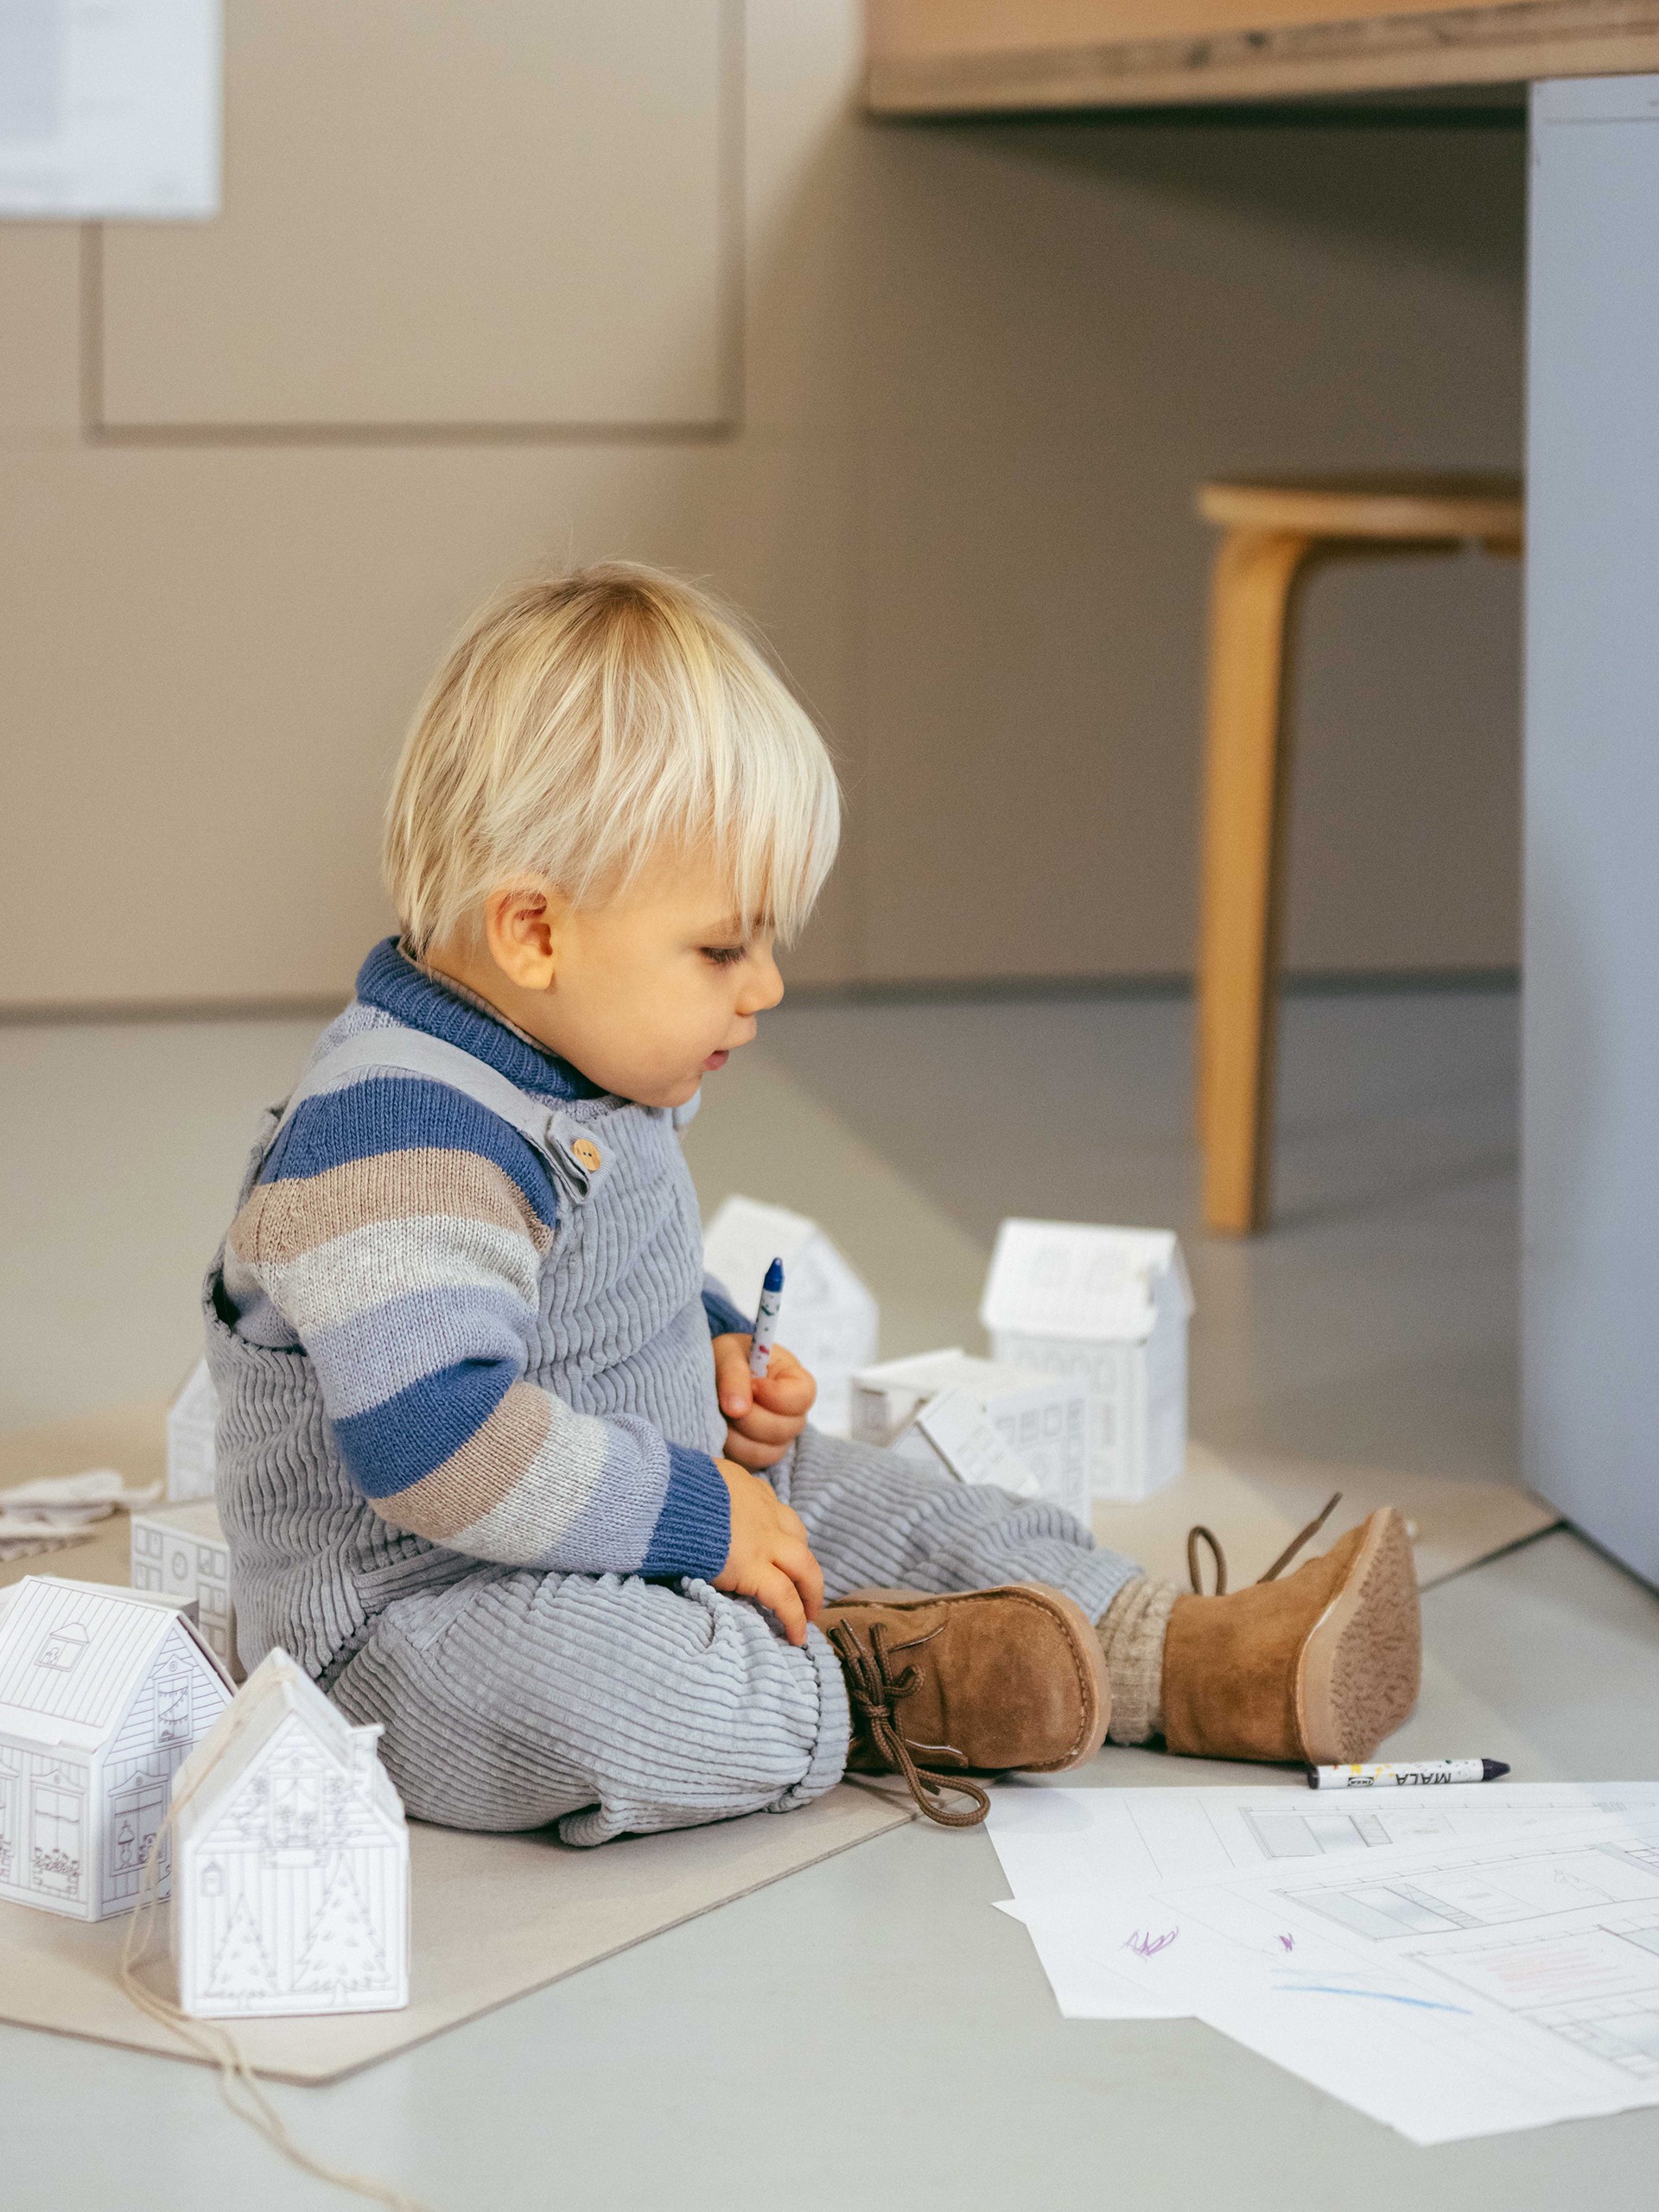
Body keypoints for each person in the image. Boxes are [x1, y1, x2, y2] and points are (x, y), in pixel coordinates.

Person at [205, 563, 1420, 1840]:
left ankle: (1173, 1656)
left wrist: (711, 1338)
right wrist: (694, 1514)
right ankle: (885, 1685)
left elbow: (594, 1269)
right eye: (724, 948)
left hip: (631, 1503)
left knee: (907, 1507)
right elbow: (436, 1445)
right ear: (535, 933)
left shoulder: (582, 1056)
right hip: (419, 1609)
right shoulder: (394, 1139)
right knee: (621, 1696)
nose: (767, 985)